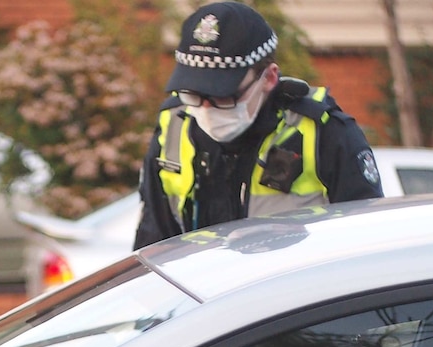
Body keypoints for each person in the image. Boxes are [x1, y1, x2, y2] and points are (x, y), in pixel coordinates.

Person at [133, 1, 383, 250]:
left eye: (223, 96)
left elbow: (365, 242)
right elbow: (153, 243)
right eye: (193, 95)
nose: (205, 109)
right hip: (204, 287)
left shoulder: (323, 131)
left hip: (302, 286)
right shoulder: (174, 126)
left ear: (269, 77)